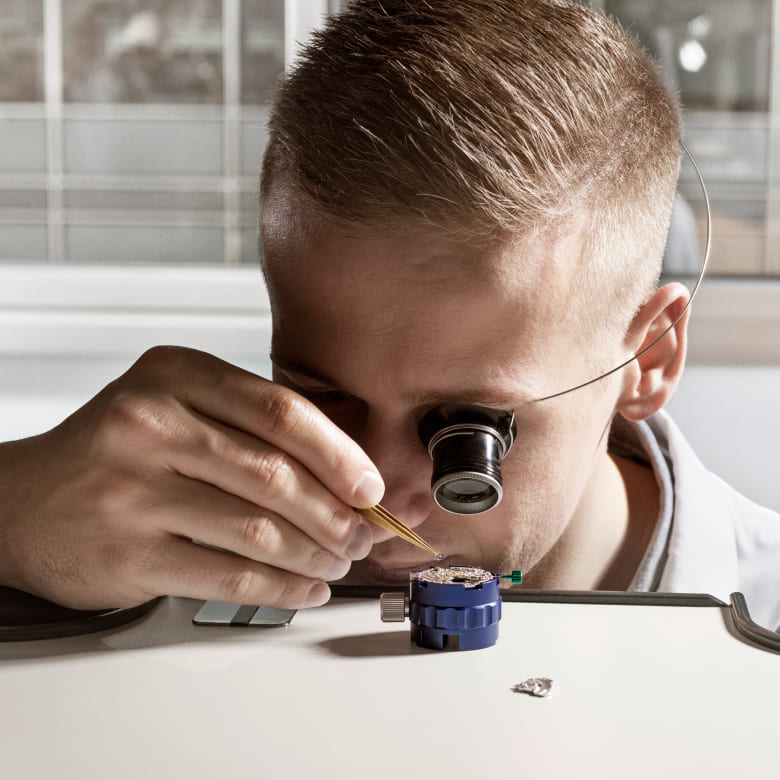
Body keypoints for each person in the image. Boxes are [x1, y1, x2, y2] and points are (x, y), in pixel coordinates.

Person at [1, 0, 778, 629]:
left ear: (648, 358)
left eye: (460, 433)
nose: (369, 498)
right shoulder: (141, 556)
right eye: (326, 400)